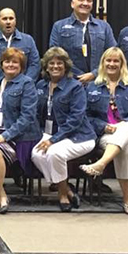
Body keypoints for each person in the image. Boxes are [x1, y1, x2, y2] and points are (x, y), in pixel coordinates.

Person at [79, 47, 128, 215]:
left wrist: (124, 123)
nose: (112, 64)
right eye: (108, 60)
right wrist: (102, 126)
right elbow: (85, 115)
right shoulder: (91, 87)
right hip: (107, 135)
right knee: (124, 150)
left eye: (116, 61)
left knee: (126, 127)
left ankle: (101, 163)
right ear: (102, 63)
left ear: (122, 64)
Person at [31, 47, 97, 211]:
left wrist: (53, 140)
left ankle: (62, 195)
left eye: (59, 63)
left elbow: (76, 119)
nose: (55, 66)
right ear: (46, 67)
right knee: (36, 154)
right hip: (49, 133)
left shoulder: (75, 87)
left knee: (54, 153)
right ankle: (66, 188)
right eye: (51, 63)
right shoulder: (41, 85)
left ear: (66, 66)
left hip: (79, 136)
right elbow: (36, 113)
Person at [0, 48, 39, 214]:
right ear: (1, 64)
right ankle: (1, 195)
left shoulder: (27, 84)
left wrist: (5, 136)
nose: (11, 65)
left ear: (21, 66)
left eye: (15, 62)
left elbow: (27, 117)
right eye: (7, 61)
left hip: (19, 136)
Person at [49, 0, 116, 84]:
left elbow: (113, 54)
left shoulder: (104, 27)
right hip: (69, 81)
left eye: (89, 1)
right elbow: (55, 54)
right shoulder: (59, 26)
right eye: (81, 0)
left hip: (98, 82)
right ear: (72, 4)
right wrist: (78, 75)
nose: (85, 3)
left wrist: (94, 74)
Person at [0, 7, 40, 84]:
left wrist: (24, 83)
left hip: (23, 87)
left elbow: (35, 64)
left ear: (15, 21)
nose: (8, 22)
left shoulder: (28, 40)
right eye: (4, 19)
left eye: (11, 18)